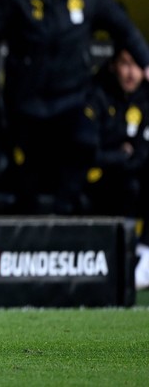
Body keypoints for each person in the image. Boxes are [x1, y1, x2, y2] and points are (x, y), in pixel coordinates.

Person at [0, 0, 149, 215]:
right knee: (28, 173)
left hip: (72, 99)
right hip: (27, 103)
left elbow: (124, 29)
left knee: (84, 142)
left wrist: (146, 62)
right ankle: (28, 232)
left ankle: (67, 218)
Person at [83, 45, 149, 289]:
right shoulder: (98, 95)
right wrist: (121, 155)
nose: (131, 73)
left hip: (133, 181)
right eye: (125, 64)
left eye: (136, 66)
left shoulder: (146, 98)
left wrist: (122, 155)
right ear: (113, 66)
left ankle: (143, 255)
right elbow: (87, 152)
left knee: (136, 181)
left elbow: (142, 154)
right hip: (101, 184)